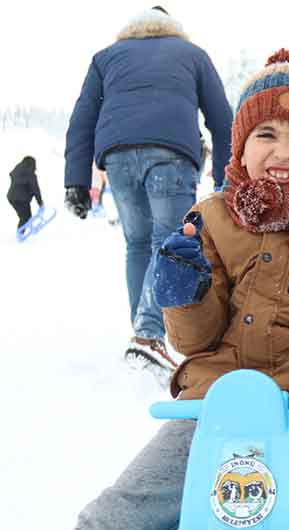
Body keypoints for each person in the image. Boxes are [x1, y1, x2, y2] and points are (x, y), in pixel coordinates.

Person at [71, 49, 289, 530]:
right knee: (119, 514)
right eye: (266, 135)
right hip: (215, 404)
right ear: (240, 146)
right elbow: (195, 341)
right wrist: (182, 295)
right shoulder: (210, 217)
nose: (283, 152)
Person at [63, 6, 233, 384]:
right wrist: (225, 177)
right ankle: (148, 335)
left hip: (118, 156)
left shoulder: (106, 57)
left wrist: (75, 179)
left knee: (138, 244)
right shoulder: (191, 54)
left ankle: (144, 334)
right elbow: (222, 118)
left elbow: (82, 118)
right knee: (168, 242)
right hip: (172, 154)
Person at [7, 156, 43, 229]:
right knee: (26, 218)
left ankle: (24, 232)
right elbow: (36, 190)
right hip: (21, 199)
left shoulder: (18, 169)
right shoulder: (30, 174)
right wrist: (40, 203)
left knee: (24, 217)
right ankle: (20, 235)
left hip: (11, 197)